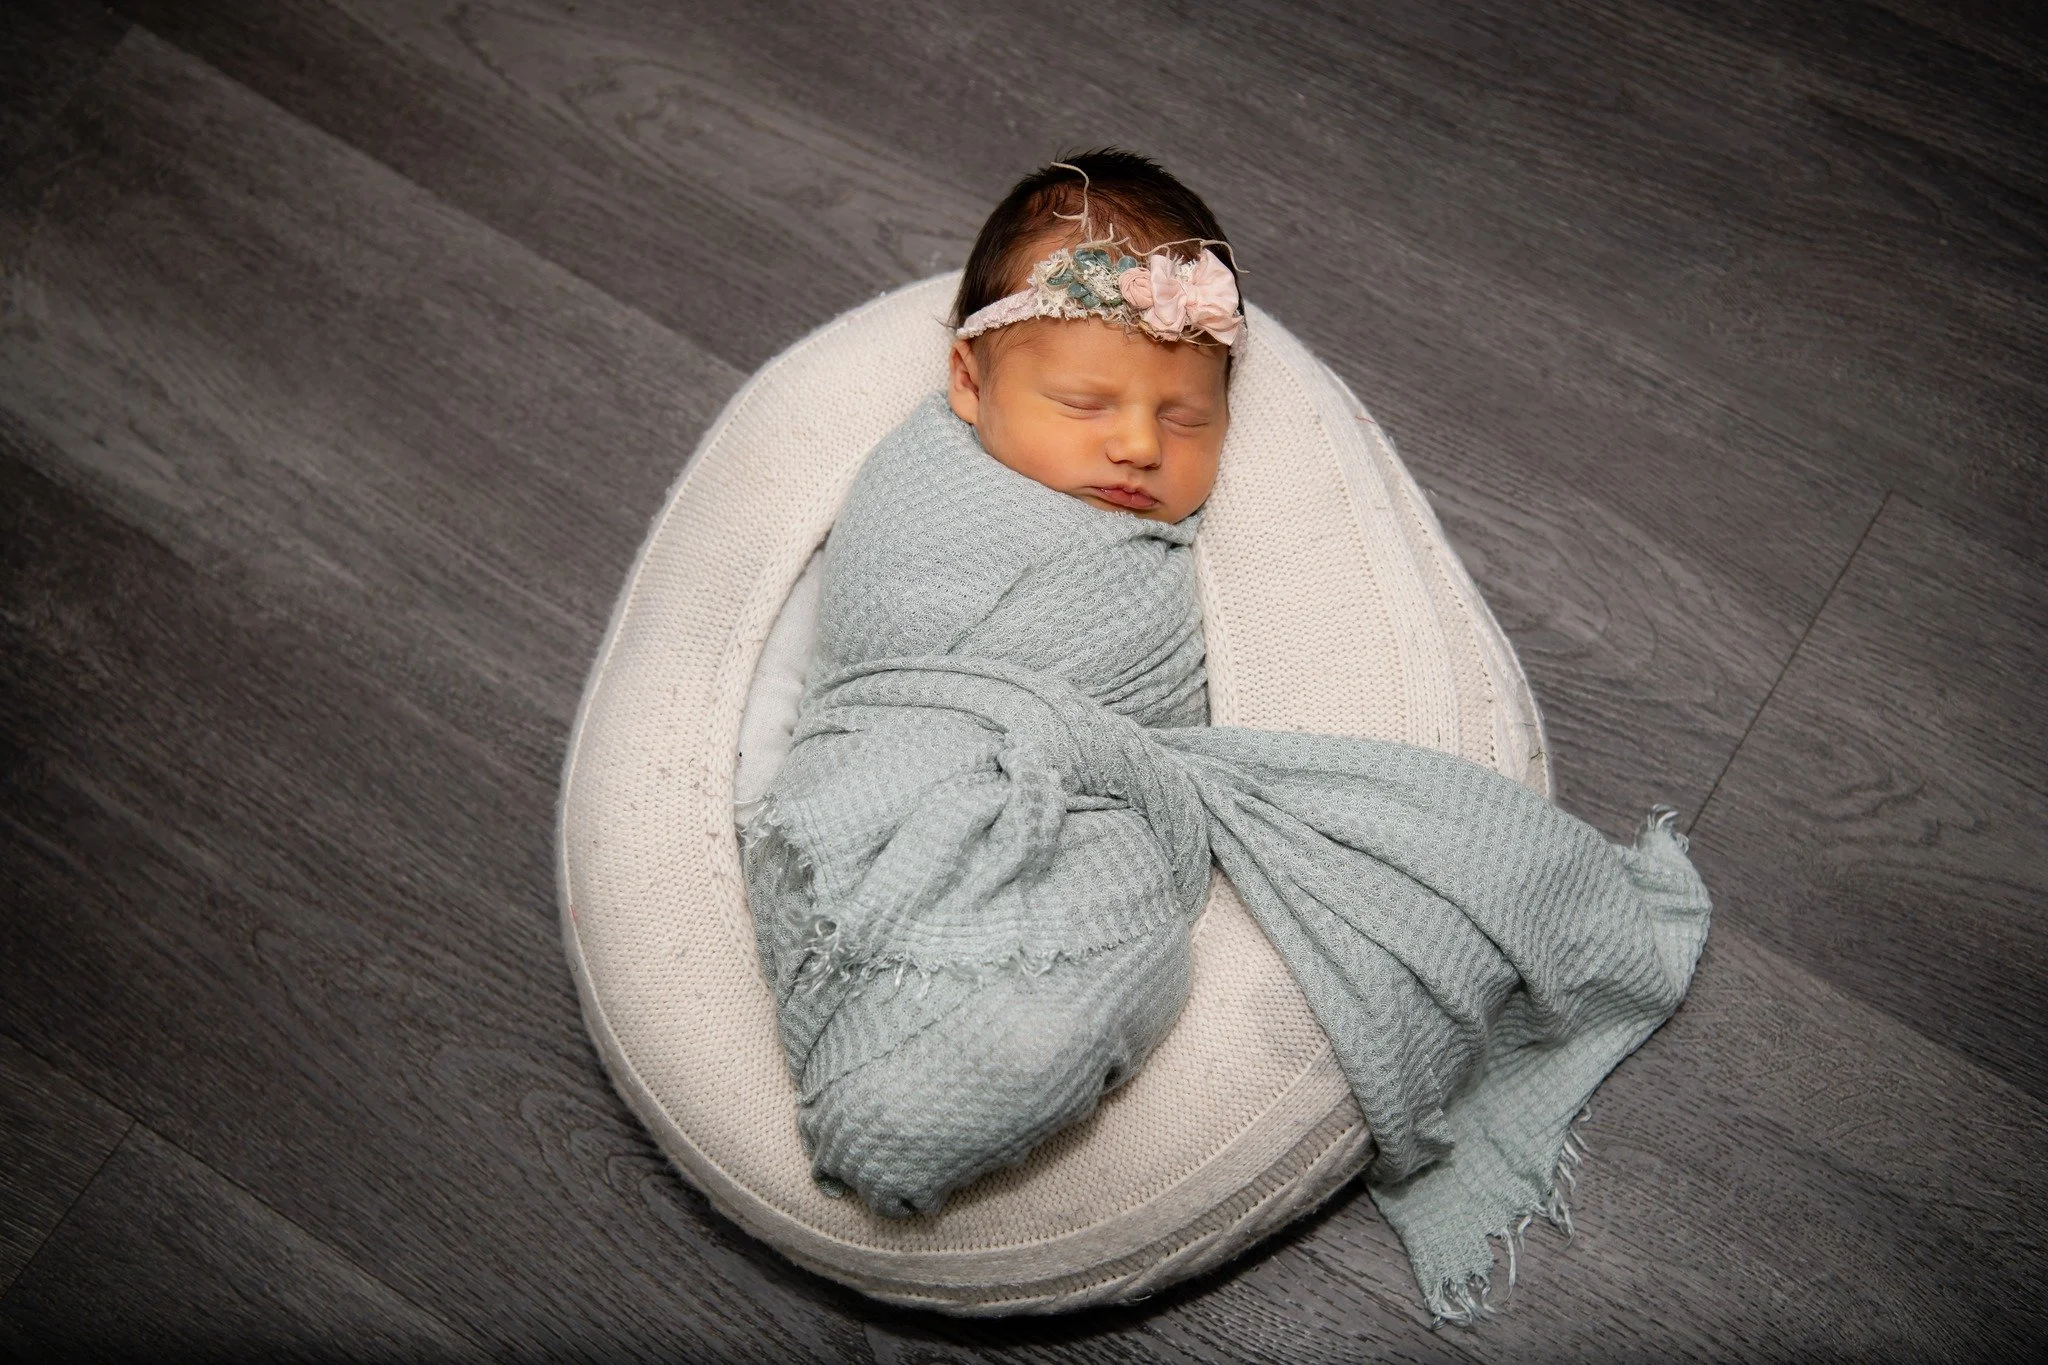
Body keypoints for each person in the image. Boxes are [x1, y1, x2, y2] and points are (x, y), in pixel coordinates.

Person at [741, 149, 1710, 1323]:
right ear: (966, 382)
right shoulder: (927, 482)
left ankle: (941, 1065)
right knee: (871, 869)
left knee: (1122, 942)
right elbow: (881, 639)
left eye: (1182, 416)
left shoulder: (1153, 539)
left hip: (1079, 792)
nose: (1138, 447)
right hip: (911, 750)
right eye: (1085, 405)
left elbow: (1145, 698)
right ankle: (909, 1056)